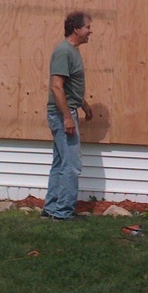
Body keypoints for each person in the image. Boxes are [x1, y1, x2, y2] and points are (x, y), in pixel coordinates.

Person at [41, 11, 94, 220]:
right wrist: (67, 117)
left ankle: (51, 208)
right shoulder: (63, 52)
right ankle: (63, 212)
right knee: (71, 165)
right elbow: (57, 87)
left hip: (66, 111)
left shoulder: (72, 51)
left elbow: (70, 86)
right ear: (76, 29)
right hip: (61, 114)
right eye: (88, 27)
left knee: (60, 163)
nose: (91, 31)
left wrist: (84, 104)